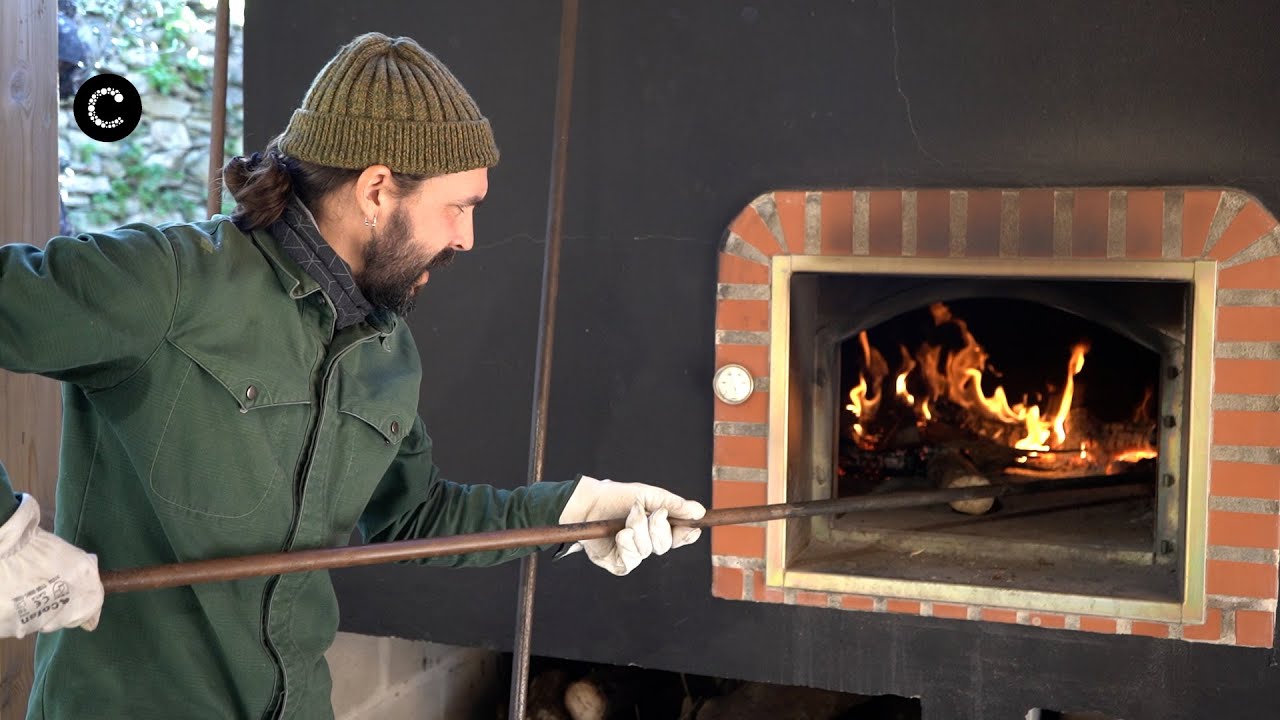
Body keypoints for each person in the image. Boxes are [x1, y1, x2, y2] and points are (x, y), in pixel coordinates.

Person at [0, 32, 706, 719]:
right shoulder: (170, 282)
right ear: (376, 190)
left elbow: (415, 516)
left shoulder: (383, 347)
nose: (467, 237)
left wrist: (574, 516)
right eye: (458, 207)